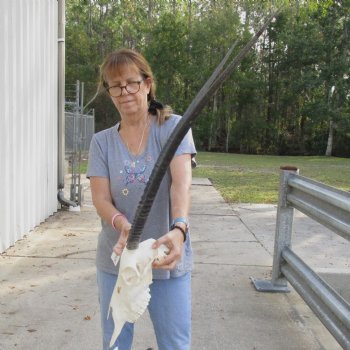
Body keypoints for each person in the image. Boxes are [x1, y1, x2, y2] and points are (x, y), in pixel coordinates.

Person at [87, 48, 196, 350]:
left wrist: (180, 228)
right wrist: (121, 223)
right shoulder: (102, 142)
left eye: (131, 82)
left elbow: (181, 185)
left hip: (165, 257)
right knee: (115, 344)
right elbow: (100, 198)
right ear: (109, 92)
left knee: (175, 344)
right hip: (118, 261)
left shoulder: (172, 128)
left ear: (148, 84)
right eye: (115, 85)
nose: (124, 92)